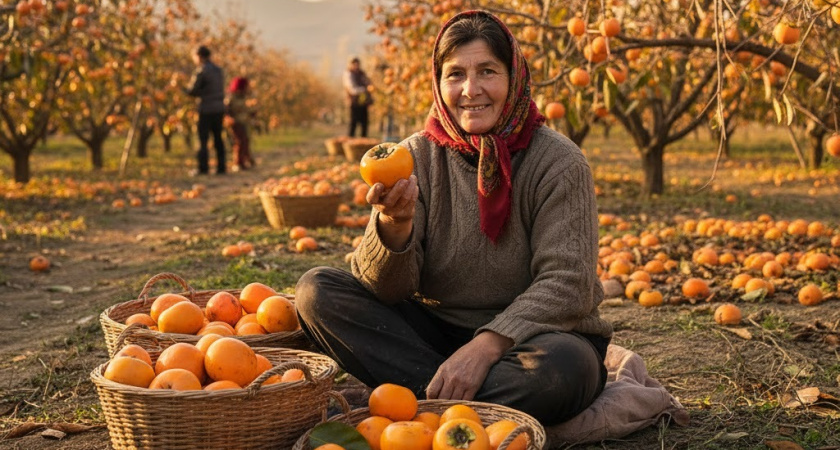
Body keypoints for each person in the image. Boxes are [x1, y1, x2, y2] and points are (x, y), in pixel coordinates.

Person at [295, 10, 613, 425]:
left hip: (532, 339)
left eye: (487, 71)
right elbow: (384, 291)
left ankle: (417, 400)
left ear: (513, 76)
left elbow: (568, 283)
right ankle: (458, 403)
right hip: (435, 332)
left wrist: (485, 347)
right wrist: (395, 226)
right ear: (438, 82)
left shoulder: (558, 162)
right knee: (316, 291)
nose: (471, 89)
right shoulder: (415, 158)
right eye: (455, 74)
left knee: (564, 370)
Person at [183, 45, 227, 175]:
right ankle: (221, 167)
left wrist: (181, 87)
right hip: (219, 108)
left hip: (206, 108)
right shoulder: (219, 70)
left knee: (203, 139)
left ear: (199, 56)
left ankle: (203, 168)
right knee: (218, 137)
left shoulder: (201, 71)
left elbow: (193, 91)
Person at [226, 76, 256, 170]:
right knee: (240, 141)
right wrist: (230, 118)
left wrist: (252, 112)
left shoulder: (244, 96)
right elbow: (227, 109)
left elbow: (247, 109)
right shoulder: (232, 97)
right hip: (236, 122)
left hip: (243, 121)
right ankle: (238, 163)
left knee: (245, 141)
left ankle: (245, 161)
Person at [343, 56, 373, 137]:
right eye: (354, 64)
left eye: (357, 64)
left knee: (364, 122)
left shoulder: (361, 73)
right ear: (351, 64)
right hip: (354, 101)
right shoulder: (349, 74)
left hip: (363, 101)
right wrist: (364, 89)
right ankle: (351, 141)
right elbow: (352, 89)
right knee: (353, 122)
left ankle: (363, 141)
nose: (356, 66)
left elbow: (367, 82)